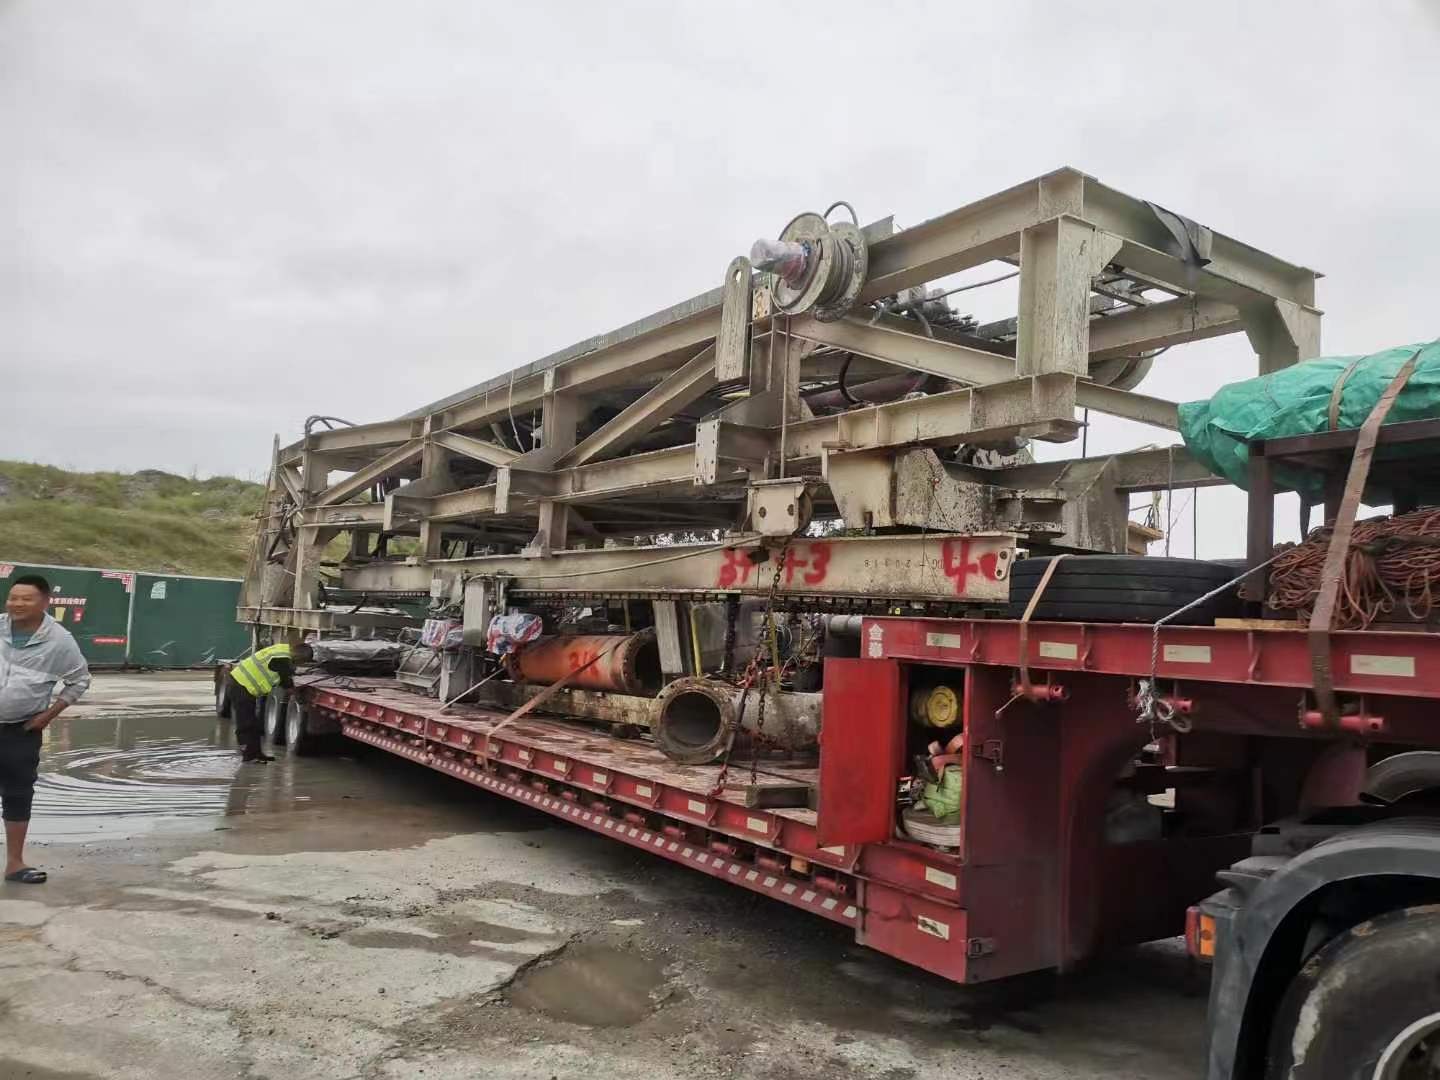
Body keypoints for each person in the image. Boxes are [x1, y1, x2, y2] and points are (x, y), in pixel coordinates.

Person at [1, 574, 92, 884]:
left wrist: (49, 715)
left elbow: (79, 680)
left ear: (44, 602)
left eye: (26, 599)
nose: (17, 604)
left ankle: (14, 864)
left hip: (19, 730)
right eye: (13, 598)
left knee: (17, 794)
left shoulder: (59, 640)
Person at [225, 641, 311, 763]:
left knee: (254, 724)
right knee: (246, 724)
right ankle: (248, 756)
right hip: (240, 686)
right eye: (302, 661)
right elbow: (286, 682)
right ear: (300, 655)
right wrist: (299, 698)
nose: (300, 664)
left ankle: (257, 754)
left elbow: (282, 673)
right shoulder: (282, 658)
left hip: (243, 686)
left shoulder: (281, 651)